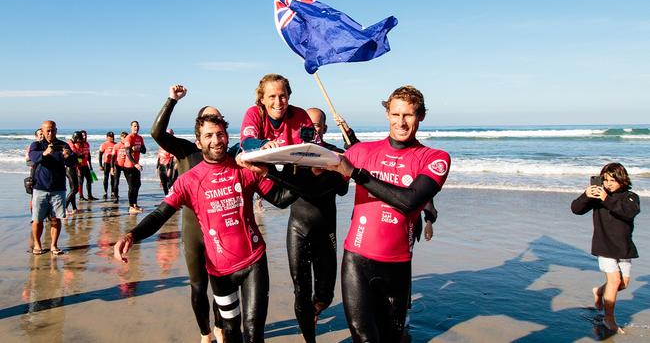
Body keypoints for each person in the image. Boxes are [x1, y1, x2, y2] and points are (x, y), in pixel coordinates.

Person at [115, 114, 298, 343]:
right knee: (231, 331)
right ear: (199, 142)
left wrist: (304, 169)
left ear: (226, 136)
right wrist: (132, 235)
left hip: (254, 262)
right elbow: (160, 213)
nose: (216, 140)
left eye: (220, 134)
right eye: (209, 135)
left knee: (253, 331)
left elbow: (281, 199)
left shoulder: (246, 168)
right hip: (219, 271)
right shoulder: (188, 181)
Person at [326, 85, 450, 342]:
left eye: (409, 115)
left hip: (397, 266)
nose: (401, 122)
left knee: (392, 338)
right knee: (364, 338)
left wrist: (357, 174)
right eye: (395, 114)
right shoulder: (361, 152)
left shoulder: (434, 158)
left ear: (421, 116)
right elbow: (325, 185)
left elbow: (409, 201)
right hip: (357, 261)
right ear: (387, 115)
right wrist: (271, 167)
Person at [150, 84, 230, 342]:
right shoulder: (186, 150)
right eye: (209, 118)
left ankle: (219, 326)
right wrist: (172, 100)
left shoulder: (226, 152)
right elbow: (156, 132)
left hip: (221, 230)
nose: (214, 122)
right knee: (198, 286)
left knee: (222, 286)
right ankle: (205, 333)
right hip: (194, 228)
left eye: (218, 119)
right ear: (199, 127)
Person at [277, 107, 348, 342]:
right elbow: (284, 193)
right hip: (298, 228)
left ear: (324, 129)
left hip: (326, 230)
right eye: (306, 125)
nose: (311, 128)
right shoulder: (292, 156)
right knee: (301, 291)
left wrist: (330, 169)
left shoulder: (335, 156)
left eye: (316, 125)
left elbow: (342, 189)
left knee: (325, 295)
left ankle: (315, 310)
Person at [571, 163, 640, 333]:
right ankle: (609, 319)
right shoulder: (597, 197)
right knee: (614, 280)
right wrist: (586, 195)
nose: (608, 184)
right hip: (604, 245)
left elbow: (628, 212)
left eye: (612, 180)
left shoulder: (631, 197)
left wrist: (605, 199)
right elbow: (576, 209)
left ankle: (599, 291)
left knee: (622, 284)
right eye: (605, 180)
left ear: (622, 180)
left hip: (624, 246)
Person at [28, 120, 78, 255]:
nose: (50, 133)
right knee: (37, 219)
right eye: (48, 130)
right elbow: (32, 156)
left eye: (53, 130)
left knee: (56, 219)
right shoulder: (37, 145)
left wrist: (69, 156)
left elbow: (73, 162)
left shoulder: (63, 145)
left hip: (58, 188)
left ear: (56, 130)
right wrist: (45, 152)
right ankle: (37, 245)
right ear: (42, 131)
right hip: (40, 187)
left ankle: (53, 245)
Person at [240, 73, 314, 151]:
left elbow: (314, 145)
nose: (278, 102)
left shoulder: (300, 115)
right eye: (272, 96)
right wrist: (263, 144)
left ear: (288, 96)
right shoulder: (254, 113)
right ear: (262, 99)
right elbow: (246, 142)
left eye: (282, 96)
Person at [123, 121, 146, 214]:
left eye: (137, 126)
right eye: (134, 126)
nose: (136, 128)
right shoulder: (129, 137)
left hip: (136, 166)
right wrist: (135, 163)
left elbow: (144, 150)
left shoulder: (140, 138)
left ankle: (135, 204)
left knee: (138, 185)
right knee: (132, 186)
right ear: (131, 127)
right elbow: (128, 153)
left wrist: (138, 148)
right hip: (128, 166)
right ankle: (130, 206)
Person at [65, 131, 83, 215]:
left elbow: (79, 157)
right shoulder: (70, 144)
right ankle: (64, 208)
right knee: (74, 189)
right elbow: (75, 155)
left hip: (73, 167)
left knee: (73, 189)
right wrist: (79, 157)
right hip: (69, 168)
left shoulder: (74, 144)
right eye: (79, 139)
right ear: (75, 137)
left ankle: (74, 208)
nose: (79, 141)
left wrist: (79, 161)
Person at [77, 130, 98, 201]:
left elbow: (88, 155)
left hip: (86, 165)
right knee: (81, 181)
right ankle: (81, 197)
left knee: (89, 180)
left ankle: (90, 196)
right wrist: (78, 166)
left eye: (85, 135)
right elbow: (78, 156)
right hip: (80, 166)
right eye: (83, 135)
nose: (84, 136)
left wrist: (90, 166)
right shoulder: (78, 144)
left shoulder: (87, 144)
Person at [156, 129, 175, 195]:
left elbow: (172, 158)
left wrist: (170, 169)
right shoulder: (161, 144)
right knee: (163, 184)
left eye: (170, 134)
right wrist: (156, 168)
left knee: (170, 184)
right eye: (167, 134)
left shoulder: (172, 145)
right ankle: (167, 197)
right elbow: (159, 157)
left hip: (168, 166)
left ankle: (171, 198)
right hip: (161, 166)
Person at [111, 132, 128, 203]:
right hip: (117, 165)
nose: (124, 139)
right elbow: (112, 157)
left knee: (129, 182)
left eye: (126, 137)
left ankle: (131, 196)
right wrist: (112, 168)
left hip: (126, 165)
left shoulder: (128, 145)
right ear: (121, 138)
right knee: (116, 182)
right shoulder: (117, 146)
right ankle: (115, 196)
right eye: (123, 137)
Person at [99, 131, 117, 200]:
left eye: (113, 136)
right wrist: (100, 165)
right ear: (107, 137)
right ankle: (105, 192)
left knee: (113, 178)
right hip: (106, 163)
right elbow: (100, 155)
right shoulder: (104, 144)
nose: (112, 138)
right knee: (106, 178)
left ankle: (113, 192)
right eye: (110, 137)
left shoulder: (116, 144)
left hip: (113, 164)